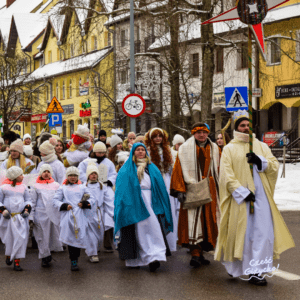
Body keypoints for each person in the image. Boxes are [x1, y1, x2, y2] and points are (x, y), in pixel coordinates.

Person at [215, 110, 295, 285]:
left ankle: (256, 271)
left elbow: (274, 165)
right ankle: (236, 266)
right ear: (236, 128)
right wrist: (242, 192)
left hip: (261, 198)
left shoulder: (260, 146)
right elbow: (226, 175)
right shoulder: (229, 149)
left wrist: (260, 161)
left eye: (248, 125)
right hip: (241, 200)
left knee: (262, 234)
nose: (246, 128)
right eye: (242, 125)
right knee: (241, 234)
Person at [114, 143, 173, 272]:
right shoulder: (126, 169)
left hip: (150, 201)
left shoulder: (152, 168)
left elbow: (160, 186)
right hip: (133, 202)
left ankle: (154, 257)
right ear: (133, 152)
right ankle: (135, 259)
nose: (140, 152)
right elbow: (121, 189)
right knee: (137, 230)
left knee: (153, 228)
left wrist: (161, 203)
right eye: (138, 150)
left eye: (142, 150)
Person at [170, 122, 221, 267]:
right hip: (192, 189)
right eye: (198, 132)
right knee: (193, 222)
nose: (202, 135)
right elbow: (178, 169)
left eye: (204, 132)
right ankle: (195, 254)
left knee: (207, 222)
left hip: (211, 190)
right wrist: (179, 189)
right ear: (193, 133)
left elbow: (220, 168)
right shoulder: (185, 148)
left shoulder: (215, 148)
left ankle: (203, 252)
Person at [52, 166, 95, 271]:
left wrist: (85, 203)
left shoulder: (82, 187)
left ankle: (76, 258)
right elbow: (55, 200)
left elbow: (92, 198)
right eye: (70, 175)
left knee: (79, 238)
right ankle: (73, 261)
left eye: (75, 175)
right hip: (68, 216)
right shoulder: (63, 188)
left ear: (78, 177)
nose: (73, 177)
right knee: (71, 239)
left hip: (80, 216)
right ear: (67, 176)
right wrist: (64, 205)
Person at [78, 141, 117, 253]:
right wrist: (89, 182)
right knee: (91, 221)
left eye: (103, 153)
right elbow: (80, 174)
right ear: (94, 152)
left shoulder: (109, 163)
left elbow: (113, 174)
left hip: (104, 190)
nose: (100, 155)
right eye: (98, 153)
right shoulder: (85, 163)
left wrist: (109, 182)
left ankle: (107, 243)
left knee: (107, 219)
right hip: (90, 190)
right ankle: (93, 245)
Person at [145, 128, 178, 252]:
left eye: (160, 136)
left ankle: (170, 241)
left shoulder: (168, 151)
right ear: (150, 138)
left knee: (169, 208)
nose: (158, 138)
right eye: (155, 136)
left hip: (167, 181)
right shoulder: (147, 151)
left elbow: (172, 168)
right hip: (154, 182)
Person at [30, 164, 63, 268]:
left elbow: (60, 199)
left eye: (48, 171)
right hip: (41, 213)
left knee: (53, 234)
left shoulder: (56, 185)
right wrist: (31, 216)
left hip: (53, 213)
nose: (46, 173)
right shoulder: (35, 186)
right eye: (44, 171)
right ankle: (44, 256)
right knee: (42, 236)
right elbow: (32, 202)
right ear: (41, 173)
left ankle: (49, 252)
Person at [0, 166, 32, 271]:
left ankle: (17, 262)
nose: (23, 176)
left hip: (20, 217)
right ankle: (9, 255)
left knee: (21, 238)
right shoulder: (3, 187)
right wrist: (3, 210)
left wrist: (27, 209)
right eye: (20, 175)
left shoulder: (23, 187)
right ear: (14, 176)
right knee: (10, 238)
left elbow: (28, 200)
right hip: (8, 217)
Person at [85, 162, 114, 262]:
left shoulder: (102, 186)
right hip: (88, 213)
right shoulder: (84, 187)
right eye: (91, 173)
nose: (93, 175)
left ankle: (95, 249)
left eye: (95, 173)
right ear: (88, 175)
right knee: (90, 234)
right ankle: (92, 253)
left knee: (100, 234)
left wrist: (112, 213)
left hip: (99, 213)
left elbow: (108, 200)